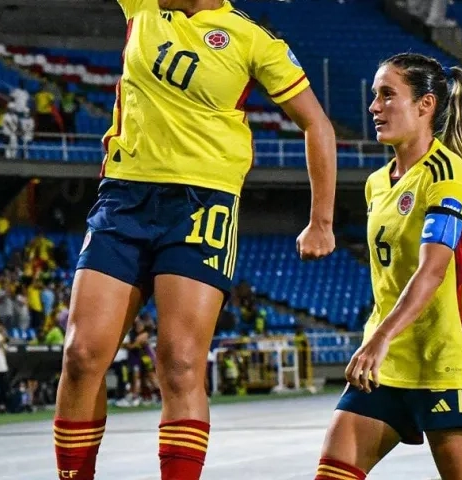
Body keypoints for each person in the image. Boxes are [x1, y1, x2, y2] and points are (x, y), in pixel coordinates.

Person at [52, 1, 337, 479]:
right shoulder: (142, 5)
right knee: (81, 357)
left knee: (181, 362)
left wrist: (322, 220)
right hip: (124, 196)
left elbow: (318, 125)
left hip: (204, 204)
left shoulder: (254, 41)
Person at [313, 53, 462, 480]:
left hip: (444, 363)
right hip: (388, 367)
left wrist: (378, 339)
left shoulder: (449, 176)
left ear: (425, 105)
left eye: (387, 95)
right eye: (375, 97)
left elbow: (432, 270)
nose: (374, 107)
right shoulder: (378, 182)